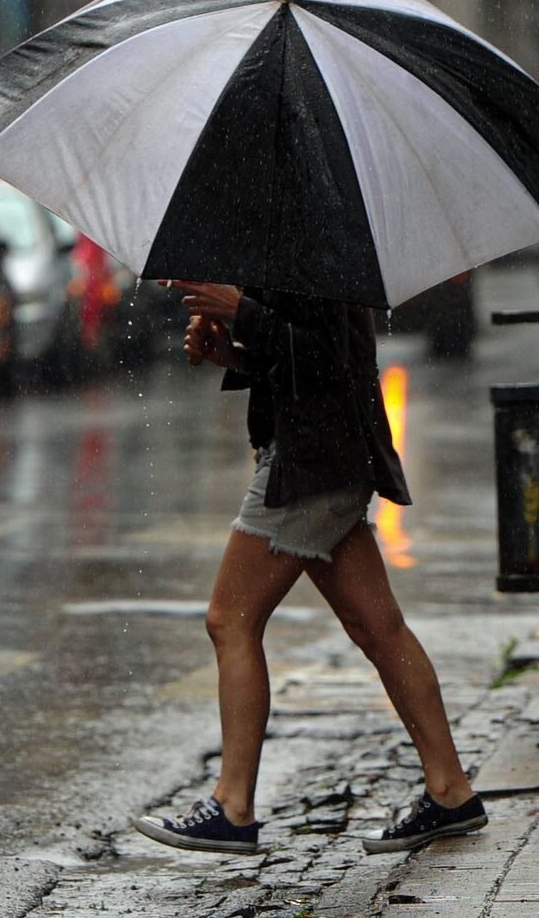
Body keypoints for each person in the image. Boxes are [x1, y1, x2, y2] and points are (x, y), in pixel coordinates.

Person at [132, 282, 486, 855]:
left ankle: (233, 806)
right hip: (324, 455)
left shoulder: (319, 245)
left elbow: (331, 359)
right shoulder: (298, 239)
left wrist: (242, 310)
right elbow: (298, 360)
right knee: (380, 629)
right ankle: (451, 791)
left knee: (230, 620)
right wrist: (233, 352)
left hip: (311, 463)